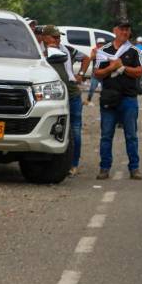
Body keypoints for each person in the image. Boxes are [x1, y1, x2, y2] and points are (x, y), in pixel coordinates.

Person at [94, 19, 142, 180]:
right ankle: (104, 168)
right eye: (122, 29)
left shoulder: (135, 51)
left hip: (129, 98)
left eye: (127, 29)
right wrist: (111, 67)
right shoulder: (104, 50)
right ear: (115, 30)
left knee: (131, 135)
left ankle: (134, 168)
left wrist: (123, 68)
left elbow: (140, 72)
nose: (124, 32)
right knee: (106, 135)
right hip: (109, 98)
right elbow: (97, 74)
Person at [42, 25, 89, 176]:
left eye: (59, 37)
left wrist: (81, 74)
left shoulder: (67, 49)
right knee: (53, 128)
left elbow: (87, 58)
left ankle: (73, 164)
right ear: (45, 37)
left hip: (72, 93)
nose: (58, 39)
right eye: (54, 37)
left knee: (75, 129)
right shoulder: (39, 52)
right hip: (52, 96)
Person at [85, 37, 106, 106]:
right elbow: (91, 58)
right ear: (97, 44)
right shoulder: (94, 50)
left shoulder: (106, 50)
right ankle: (88, 100)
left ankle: (103, 100)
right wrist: (96, 53)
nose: (101, 45)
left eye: (103, 44)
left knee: (105, 89)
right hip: (96, 74)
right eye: (100, 43)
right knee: (92, 88)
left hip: (104, 73)